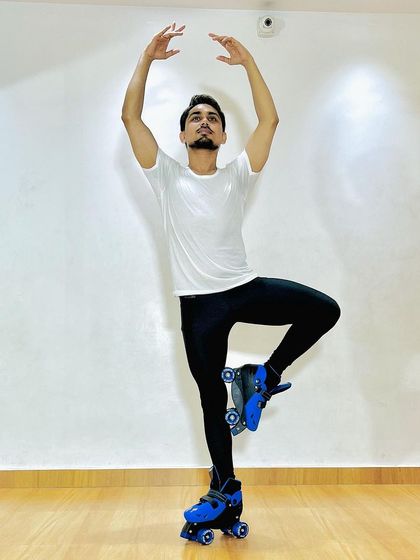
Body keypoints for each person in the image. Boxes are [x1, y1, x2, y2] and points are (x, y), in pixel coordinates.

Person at [121, 22, 341, 545]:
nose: (204, 122)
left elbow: (270, 120)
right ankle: (225, 491)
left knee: (324, 310)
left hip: (242, 288)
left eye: (213, 119)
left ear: (221, 136)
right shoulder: (165, 176)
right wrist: (146, 59)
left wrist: (248, 64)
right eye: (195, 118)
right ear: (183, 135)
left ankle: (263, 375)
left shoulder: (237, 175)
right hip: (198, 307)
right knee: (209, 403)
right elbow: (130, 117)